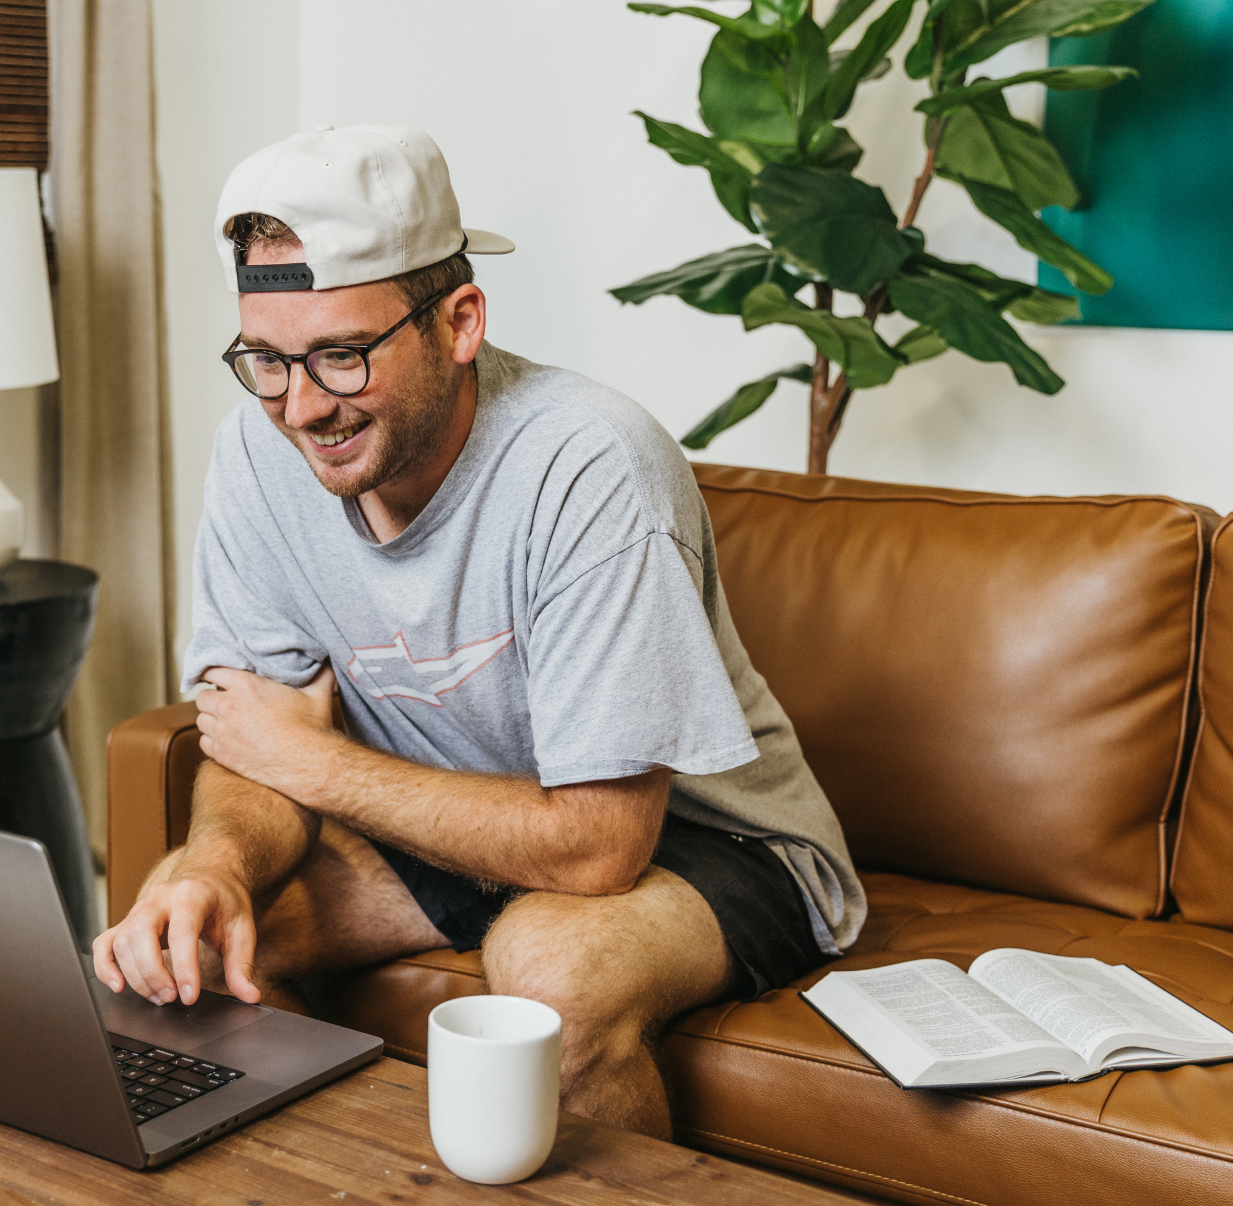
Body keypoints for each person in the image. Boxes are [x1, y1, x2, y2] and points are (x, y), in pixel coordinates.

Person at [92, 124, 862, 1137]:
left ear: (457, 322)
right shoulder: (255, 453)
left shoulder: (588, 463)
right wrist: (214, 865)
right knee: (186, 951)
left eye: (340, 355)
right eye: (267, 361)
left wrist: (313, 763)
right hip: (455, 829)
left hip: (706, 835)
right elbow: (255, 741)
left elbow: (597, 845)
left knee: (548, 971)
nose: (301, 407)